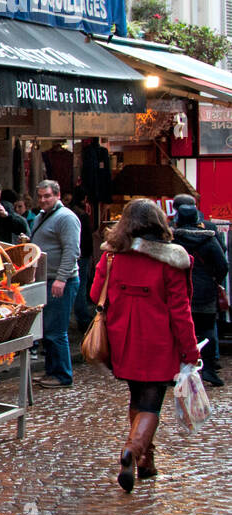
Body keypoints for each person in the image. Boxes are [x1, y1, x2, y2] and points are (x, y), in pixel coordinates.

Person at [90, 199, 201, 492]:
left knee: (136, 399)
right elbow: (181, 311)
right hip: (158, 341)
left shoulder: (112, 256)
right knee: (151, 404)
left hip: (122, 338)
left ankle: (145, 462)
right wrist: (191, 351)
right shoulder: (172, 259)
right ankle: (130, 450)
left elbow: (94, 293)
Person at [169, 193, 227, 387]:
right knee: (207, 329)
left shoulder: (171, 239)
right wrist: (213, 280)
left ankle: (175, 369)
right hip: (205, 291)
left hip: (178, 290)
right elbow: (222, 265)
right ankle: (208, 369)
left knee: (176, 330)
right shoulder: (209, 237)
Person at [29, 179, 81, 388]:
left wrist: (61, 278)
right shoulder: (43, 216)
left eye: (47, 196)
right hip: (46, 279)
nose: (43, 200)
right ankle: (52, 372)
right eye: (40, 196)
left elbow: (72, 251)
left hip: (61, 281)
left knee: (56, 330)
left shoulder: (66, 218)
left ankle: (62, 375)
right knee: (48, 329)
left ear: (57, 196)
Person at [67, 188, 97, 333]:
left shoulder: (70, 213)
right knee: (81, 287)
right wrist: (89, 255)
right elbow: (86, 239)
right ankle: (83, 319)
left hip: (76, 254)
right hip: (82, 255)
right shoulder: (82, 215)